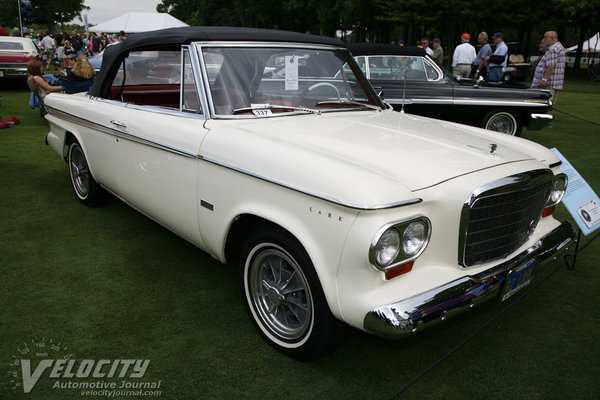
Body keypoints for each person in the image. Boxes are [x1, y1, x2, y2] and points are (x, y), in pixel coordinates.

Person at [531, 31, 565, 105]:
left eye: (546, 37)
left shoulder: (552, 49)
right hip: (554, 82)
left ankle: (544, 115)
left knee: (544, 102)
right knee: (549, 103)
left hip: (548, 83)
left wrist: (544, 79)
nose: (544, 40)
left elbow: (550, 66)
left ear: (552, 38)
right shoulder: (559, 47)